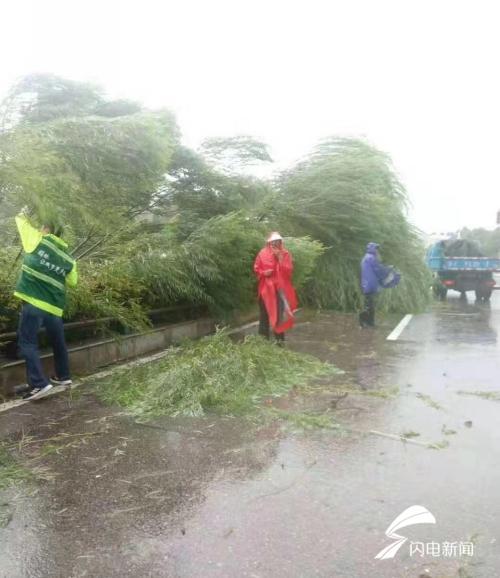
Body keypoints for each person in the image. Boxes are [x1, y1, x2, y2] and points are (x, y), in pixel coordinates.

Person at [14, 210, 78, 400]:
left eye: (42, 226)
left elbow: (20, 219)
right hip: (54, 307)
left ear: (46, 229)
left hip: (33, 302)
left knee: (27, 342)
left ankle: (39, 384)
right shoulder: (69, 259)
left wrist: (29, 206)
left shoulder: (37, 240)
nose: (40, 229)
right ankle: (63, 376)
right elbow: (73, 282)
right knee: (58, 342)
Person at [253, 232, 297, 343]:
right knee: (264, 315)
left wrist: (280, 258)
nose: (275, 243)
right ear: (269, 242)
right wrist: (264, 273)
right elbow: (257, 268)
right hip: (265, 289)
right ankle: (263, 341)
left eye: (277, 241)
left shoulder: (285, 253)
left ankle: (279, 342)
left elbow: (288, 271)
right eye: (273, 241)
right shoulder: (262, 253)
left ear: (280, 242)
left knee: (278, 315)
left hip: (279, 289)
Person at [359, 242, 399, 328]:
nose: (377, 250)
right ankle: (364, 321)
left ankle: (369, 323)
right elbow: (378, 270)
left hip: (367, 284)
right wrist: (389, 269)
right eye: (376, 248)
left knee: (369, 303)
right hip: (370, 284)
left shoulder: (366, 258)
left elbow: (377, 269)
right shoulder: (371, 258)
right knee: (369, 304)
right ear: (372, 249)